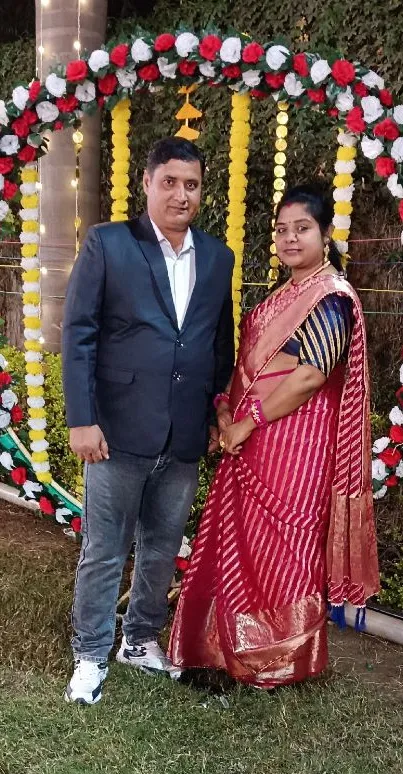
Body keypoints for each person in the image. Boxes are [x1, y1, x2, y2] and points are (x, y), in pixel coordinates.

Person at [169, 184, 379, 690]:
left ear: (325, 235)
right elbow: (248, 369)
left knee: (284, 550)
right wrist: (226, 411)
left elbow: (309, 376)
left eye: (301, 229)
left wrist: (246, 422)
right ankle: (224, 651)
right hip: (252, 440)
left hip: (297, 447)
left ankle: (276, 660)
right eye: (282, 230)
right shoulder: (283, 295)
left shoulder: (332, 297)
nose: (289, 238)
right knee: (239, 544)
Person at [62, 137, 235, 704]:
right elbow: (80, 334)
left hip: (183, 433)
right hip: (116, 429)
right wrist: (82, 419)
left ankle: (138, 641)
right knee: (105, 548)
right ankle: (91, 653)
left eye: (191, 185)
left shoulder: (218, 256)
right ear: (147, 183)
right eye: (170, 182)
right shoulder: (109, 244)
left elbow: (217, 344)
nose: (181, 195)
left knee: (162, 547)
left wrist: (215, 409)